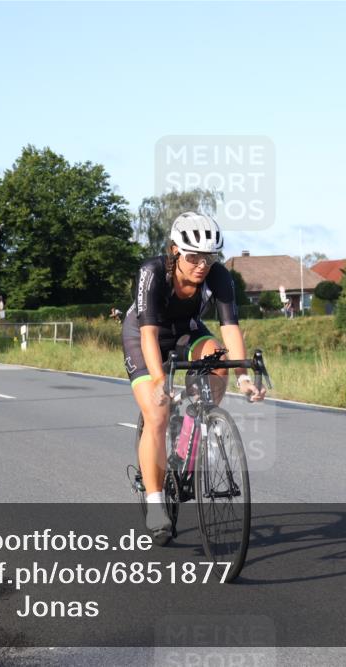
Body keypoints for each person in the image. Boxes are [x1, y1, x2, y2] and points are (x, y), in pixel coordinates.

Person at [121, 212, 266, 545]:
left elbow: (230, 329)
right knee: (156, 414)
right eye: (193, 256)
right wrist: (159, 381)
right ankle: (156, 502)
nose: (202, 264)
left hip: (187, 334)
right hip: (145, 337)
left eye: (209, 256)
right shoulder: (152, 272)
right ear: (174, 251)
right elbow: (148, 335)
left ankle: (193, 428)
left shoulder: (219, 277)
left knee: (215, 353)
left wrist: (242, 377)